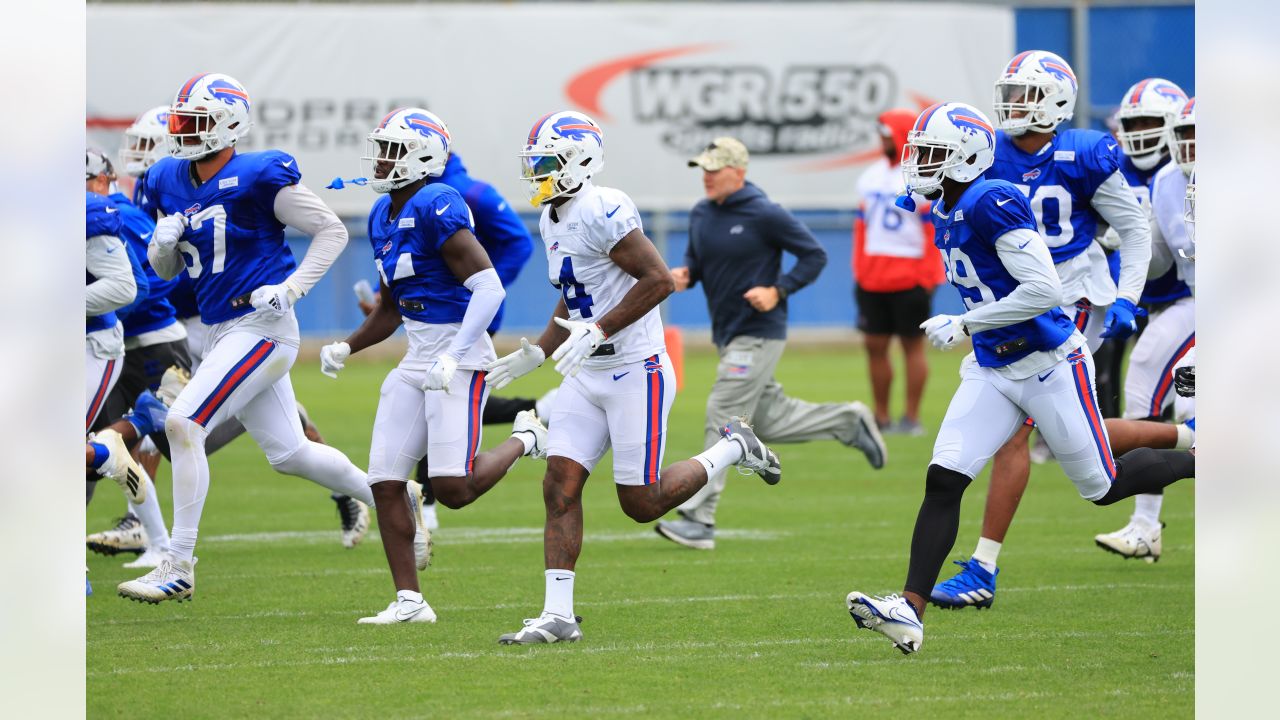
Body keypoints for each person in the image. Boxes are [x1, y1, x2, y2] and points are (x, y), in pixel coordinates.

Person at [842, 102, 1195, 655]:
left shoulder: (992, 200)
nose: (919, 164)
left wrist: (965, 321)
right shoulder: (950, 203)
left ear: (965, 159)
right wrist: (974, 331)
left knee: (1102, 486)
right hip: (991, 366)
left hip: (1049, 363)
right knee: (944, 477)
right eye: (919, 152)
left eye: (931, 154)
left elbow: (1044, 291)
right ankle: (909, 610)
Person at [483, 111, 781, 644]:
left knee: (640, 503)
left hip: (634, 369)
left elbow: (658, 279)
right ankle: (557, 615)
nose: (539, 172)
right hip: (586, 372)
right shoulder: (554, 215)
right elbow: (577, 293)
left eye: (548, 161)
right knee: (559, 486)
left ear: (580, 160)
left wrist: (597, 332)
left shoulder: (603, 207)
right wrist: (539, 351)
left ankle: (733, 447)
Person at [117, 73, 376, 604]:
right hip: (217, 329)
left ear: (228, 125)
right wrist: (160, 246)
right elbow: (166, 270)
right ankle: (396, 497)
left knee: (182, 422)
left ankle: (178, 564)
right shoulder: (166, 176)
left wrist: (292, 288)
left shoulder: (259, 175)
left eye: (196, 122)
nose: (184, 132)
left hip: (262, 326)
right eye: (181, 120)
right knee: (291, 454)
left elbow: (331, 230)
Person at [929, 51, 1154, 609]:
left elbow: (1134, 229)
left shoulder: (1084, 153)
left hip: (1068, 297)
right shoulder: (988, 153)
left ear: (1056, 100)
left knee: (1015, 431)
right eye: (1010, 94)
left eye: (1026, 95)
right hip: (1013, 302)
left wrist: (1127, 296)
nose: (1013, 106)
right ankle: (1194, 438)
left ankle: (982, 568)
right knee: (1076, 433)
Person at [318, 108, 547, 624]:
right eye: (380, 148)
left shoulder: (437, 201)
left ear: (422, 156)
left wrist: (454, 353)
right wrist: (348, 347)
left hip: (460, 355)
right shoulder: (381, 214)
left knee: (453, 490)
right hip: (418, 356)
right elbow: (391, 307)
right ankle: (410, 602)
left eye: (391, 150)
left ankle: (527, 436)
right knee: (384, 481)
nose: (380, 159)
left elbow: (487, 288)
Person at [653, 136, 886, 551]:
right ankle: (847, 421)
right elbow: (697, 264)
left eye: (714, 168)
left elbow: (814, 255)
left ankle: (699, 518)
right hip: (727, 331)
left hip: (759, 331)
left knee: (722, 410)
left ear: (739, 172)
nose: (706, 176)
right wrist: (684, 275)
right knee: (770, 419)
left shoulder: (766, 212)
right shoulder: (702, 213)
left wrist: (778, 290)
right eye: (702, 168)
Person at [347, 148, 543, 532]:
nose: (384, 158)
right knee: (432, 403)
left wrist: (473, 289)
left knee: (451, 393)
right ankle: (429, 499)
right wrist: (387, 297)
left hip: (467, 315)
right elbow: (402, 256)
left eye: (394, 149)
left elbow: (519, 244)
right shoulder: (390, 203)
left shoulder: (471, 193)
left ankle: (441, 490)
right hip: (425, 318)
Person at [1093, 88, 1195, 560]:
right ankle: (1145, 524)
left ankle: (1145, 523)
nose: (1190, 146)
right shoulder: (1168, 181)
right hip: (1178, 300)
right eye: (1185, 136)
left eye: (1199, 136)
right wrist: (1123, 241)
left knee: (1148, 378)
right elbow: (1157, 258)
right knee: (1183, 398)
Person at [84, 148, 185, 568]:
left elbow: (143, 285)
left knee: (178, 437)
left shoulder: (113, 213)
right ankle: (158, 542)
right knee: (104, 447)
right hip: (115, 343)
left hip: (146, 343)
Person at [853, 109, 946, 435]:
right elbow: (861, 230)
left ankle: (911, 417)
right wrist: (860, 271)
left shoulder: (920, 177)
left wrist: (930, 276)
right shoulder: (869, 177)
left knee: (912, 347)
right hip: (873, 277)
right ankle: (880, 416)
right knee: (874, 347)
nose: (882, 140)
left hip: (910, 277)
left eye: (888, 134)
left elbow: (931, 231)